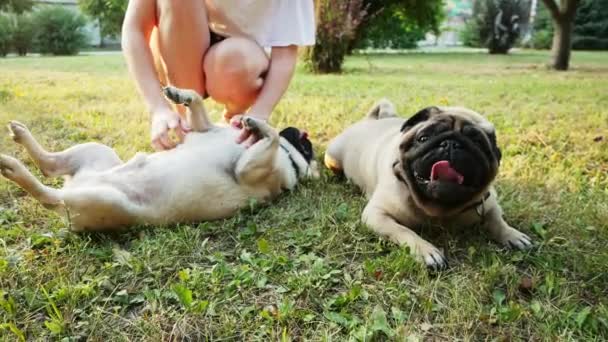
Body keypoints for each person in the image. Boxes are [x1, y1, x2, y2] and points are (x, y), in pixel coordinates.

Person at [121, 0, 316, 150]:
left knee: (236, 59)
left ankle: (234, 121)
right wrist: (159, 109)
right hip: (177, 40)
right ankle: (186, 125)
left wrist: (258, 116)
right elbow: (135, 28)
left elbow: (285, 52)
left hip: (239, 55)